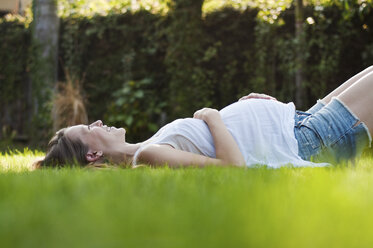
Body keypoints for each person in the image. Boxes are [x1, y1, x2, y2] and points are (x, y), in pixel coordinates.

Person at [34, 66, 373, 169]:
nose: (96, 122)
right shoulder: (146, 155)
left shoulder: (148, 146)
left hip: (295, 124)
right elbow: (233, 169)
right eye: (87, 129)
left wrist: (247, 109)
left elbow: (217, 142)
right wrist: (214, 116)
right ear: (93, 154)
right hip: (306, 141)